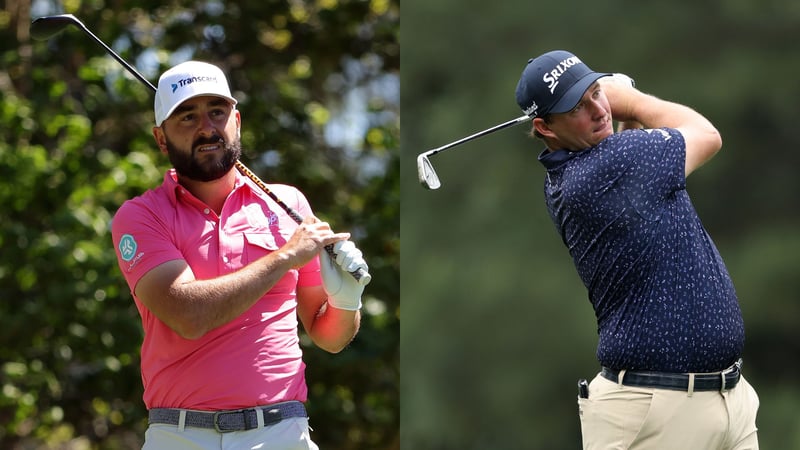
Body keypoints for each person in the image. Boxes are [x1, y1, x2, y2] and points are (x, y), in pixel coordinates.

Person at [111, 60, 368, 449]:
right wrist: (284, 258)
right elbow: (189, 315)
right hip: (180, 436)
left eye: (217, 112)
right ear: (161, 139)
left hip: (282, 432)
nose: (206, 128)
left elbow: (329, 336)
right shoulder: (142, 215)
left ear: (237, 121)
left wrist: (347, 300)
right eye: (187, 117)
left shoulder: (287, 204)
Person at [514, 50, 759, 449]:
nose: (598, 110)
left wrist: (620, 115)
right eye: (579, 106)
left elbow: (631, 165)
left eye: (597, 92)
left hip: (728, 401)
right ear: (544, 127)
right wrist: (629, 98)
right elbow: (707, 136)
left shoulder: (578, 172)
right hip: (655, 414)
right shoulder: (600, 171)